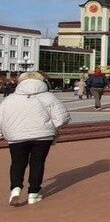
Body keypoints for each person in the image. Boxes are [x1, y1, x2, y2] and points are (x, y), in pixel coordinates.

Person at [0, 72, 70, 206]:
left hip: (16, 137)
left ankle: (15, 189)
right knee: (37, 162)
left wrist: (5, 132)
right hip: (43, 136)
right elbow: (62, 117)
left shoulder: (10, 99)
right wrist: (52, 127)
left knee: (17, 163)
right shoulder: (49, 97)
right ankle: (33, 193)